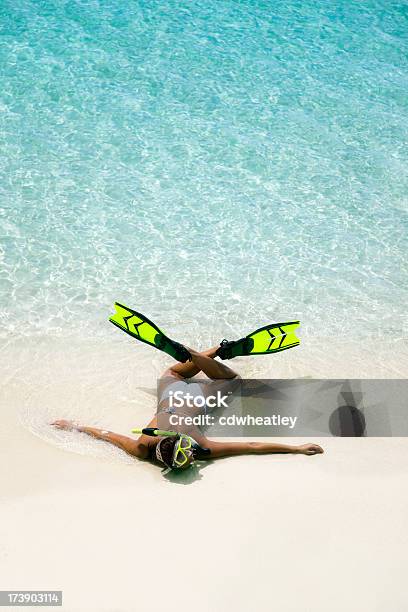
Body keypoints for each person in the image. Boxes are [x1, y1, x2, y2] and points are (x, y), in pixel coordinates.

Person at [52, 344, 324, 471]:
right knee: (173, 371)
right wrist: (74, 426)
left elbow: (252, 446)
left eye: (186, 458)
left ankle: (207, 353)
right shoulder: (143, 446)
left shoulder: (197, 446)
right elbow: (106, 434)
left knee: (232, 380)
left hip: (196, 399)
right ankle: (203, 353)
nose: (192, 459)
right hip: (172, 392)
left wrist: (297, 448)